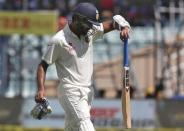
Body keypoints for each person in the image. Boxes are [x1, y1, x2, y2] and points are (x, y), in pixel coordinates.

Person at [35, 2, 130, 131]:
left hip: (87, 90)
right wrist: (41, 89)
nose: (91, 28)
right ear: (78, 21)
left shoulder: (90, 31)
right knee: (85, 124)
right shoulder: (59, 40)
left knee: (73, 127)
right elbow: (43, 65)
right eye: (89, 24)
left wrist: (123, 27)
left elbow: (113, 24)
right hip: (70, 90)